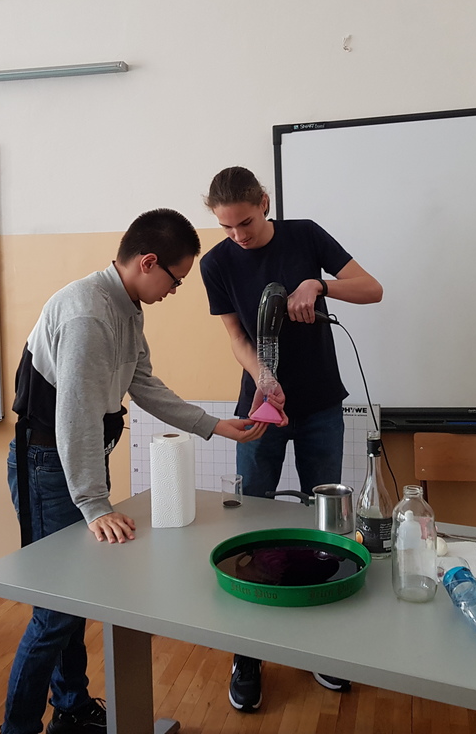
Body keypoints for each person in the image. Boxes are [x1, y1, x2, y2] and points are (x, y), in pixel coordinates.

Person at [2, 208, 265, 734]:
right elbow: (76, 415)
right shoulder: (88, 316)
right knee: (55, 611)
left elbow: (143, 384)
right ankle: (19, 729)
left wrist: (214, 425)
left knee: (74, 600)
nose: (175, 290)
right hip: (48, 466)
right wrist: (93, 502)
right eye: (175, 279)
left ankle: (71, 709)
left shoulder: (125, 308)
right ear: (148, 262)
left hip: (74, 462)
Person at [199, 166, 383, 712]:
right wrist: (263, 376)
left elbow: (372, 289)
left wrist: (318, 284)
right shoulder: (216, 264)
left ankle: (319, 646)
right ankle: (248, 656)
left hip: (321, 405)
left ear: (264, 201)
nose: (238, 236)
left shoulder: (305, 236)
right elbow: (236, 336)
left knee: (323, 524)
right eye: (226, 227)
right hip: (261, 409)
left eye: (246, 222)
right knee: (250, 527)